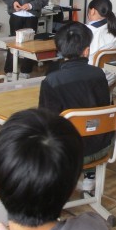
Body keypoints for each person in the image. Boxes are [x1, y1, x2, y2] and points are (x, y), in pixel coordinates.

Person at [38, 21, 111, 192]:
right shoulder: (99, 74)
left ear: (59, 50)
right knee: (90, 123)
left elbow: (46, 120)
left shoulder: (52, 81)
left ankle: (53, 182)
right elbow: (103, 109)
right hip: (100, 147)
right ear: (86, 51)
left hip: (68, 153)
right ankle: (90, 175)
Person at [86, 0, 116, 66]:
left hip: (91, 70)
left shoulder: (86, 30)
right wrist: (109, 13)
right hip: (112, 71)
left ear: (92, 11)